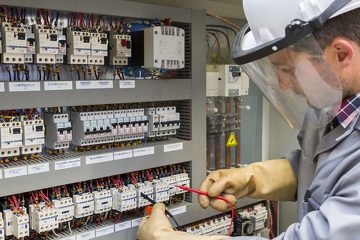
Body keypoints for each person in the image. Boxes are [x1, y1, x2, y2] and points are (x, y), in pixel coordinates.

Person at [137, 0, 360, 239]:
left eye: (287, 69)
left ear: (342, 54)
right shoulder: (330, 98)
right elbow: (321, 172)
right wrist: (253, 178)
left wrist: (167, 238)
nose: (283, 85)